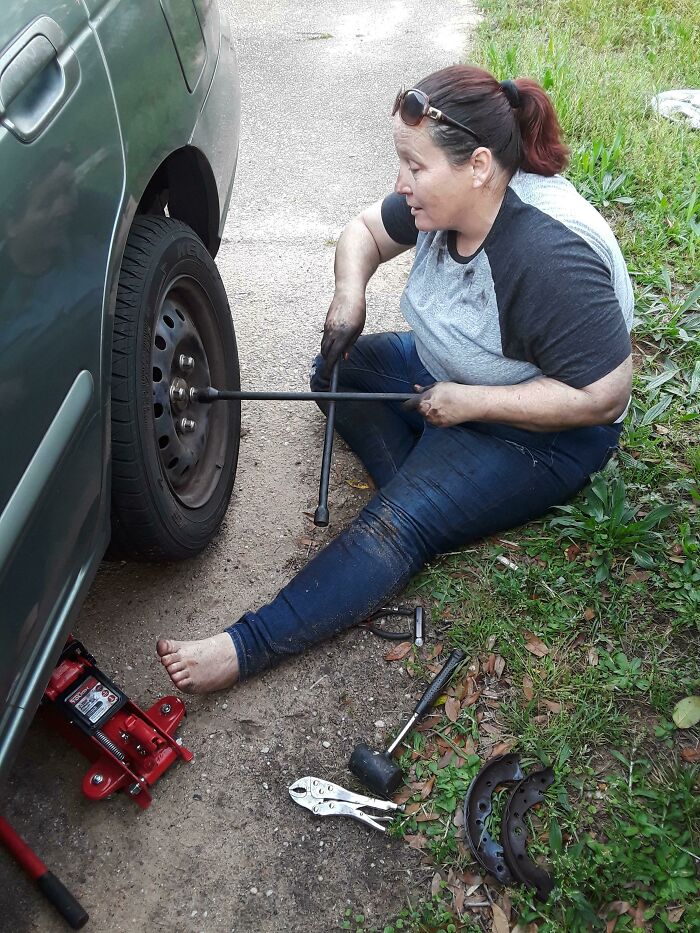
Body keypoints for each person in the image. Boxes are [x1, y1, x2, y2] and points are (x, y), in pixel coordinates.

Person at [157, 65, 633, 693]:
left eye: (414, 166)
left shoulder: (548, 256)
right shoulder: (448, 197)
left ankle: (245, 645)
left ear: (479, 166)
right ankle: (431, 484)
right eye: (400, 163)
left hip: (542, 427)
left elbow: (604, 396)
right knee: (332, 372)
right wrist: (348, 296)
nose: (400, 183)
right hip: (453, 370)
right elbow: (362, 231)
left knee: (393, 527)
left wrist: (472, 404)